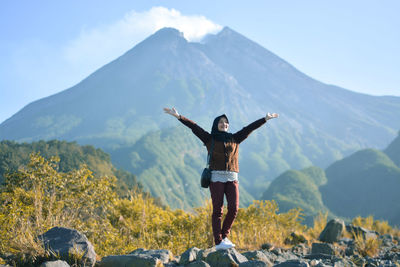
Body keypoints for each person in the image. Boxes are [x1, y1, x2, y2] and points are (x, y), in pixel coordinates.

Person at [163, 107, 279, 250]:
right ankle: (218, 242)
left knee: (234, 209)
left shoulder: (235, 138)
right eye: (221, 122)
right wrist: (179, 116)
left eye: (226, 122)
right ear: (216, 124)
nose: (224, 124)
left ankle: (224, 236)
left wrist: (265, 119)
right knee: (218, 210)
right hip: (216, 178)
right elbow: (194, 127)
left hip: (232, 178)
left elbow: (249, 128)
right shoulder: (209, 138)